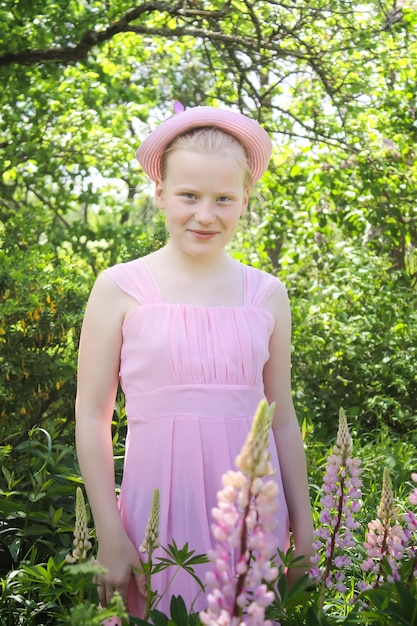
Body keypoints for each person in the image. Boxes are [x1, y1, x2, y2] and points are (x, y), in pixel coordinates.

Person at [75, 104, 315, 619]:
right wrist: (108, 534)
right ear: (160, 193)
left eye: (223, 199)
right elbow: (92, 415)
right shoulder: (120, 288)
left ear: (244, 201)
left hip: (254, 514)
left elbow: (283, 416)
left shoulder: (266, 294)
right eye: (189, 196)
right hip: (156, 513)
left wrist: (306, 523)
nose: (206, 215)